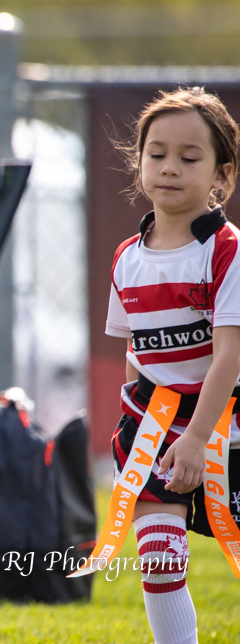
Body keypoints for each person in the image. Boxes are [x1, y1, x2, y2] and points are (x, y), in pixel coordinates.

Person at [105, 87, 240, 644]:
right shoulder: (125, 258)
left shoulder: (226, 250)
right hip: (152, 424)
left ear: (220, 174)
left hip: (223, 421)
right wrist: (140, 434)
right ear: (138, 163)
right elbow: (135, 353)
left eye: (190, 157)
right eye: (156, 154)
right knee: (160, 562)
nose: (169, 168)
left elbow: (229, 354)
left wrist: (197, 438)